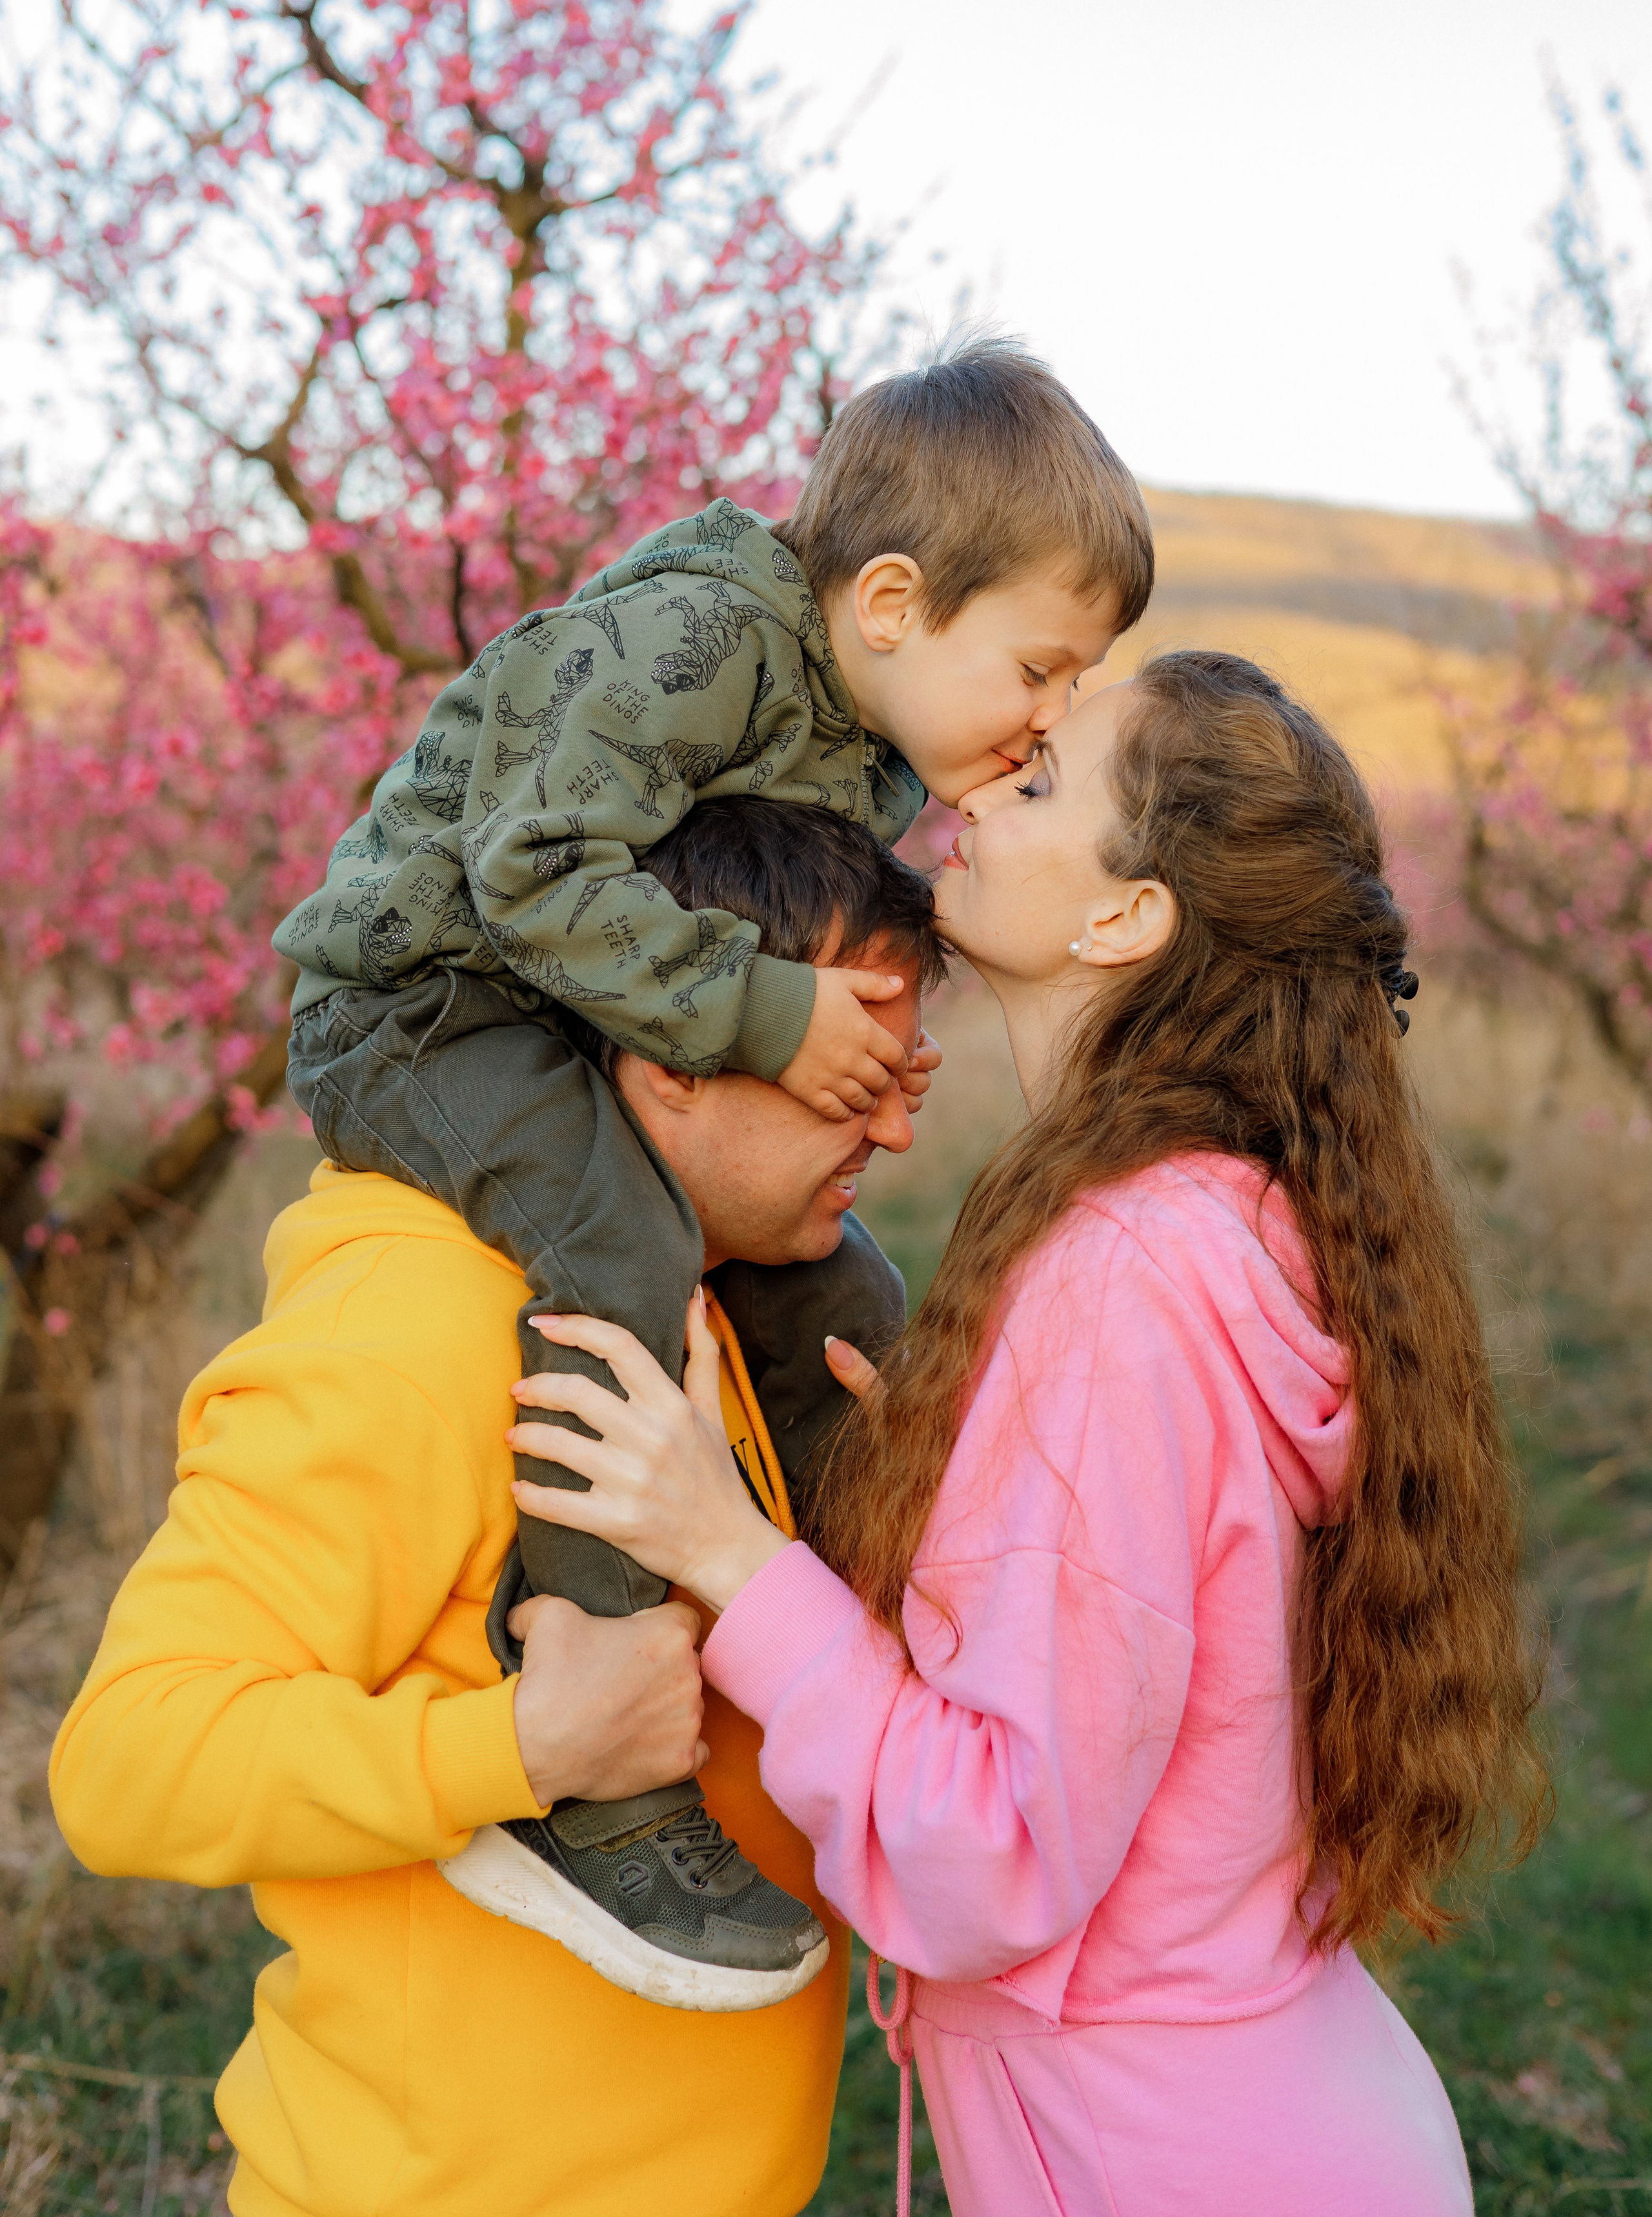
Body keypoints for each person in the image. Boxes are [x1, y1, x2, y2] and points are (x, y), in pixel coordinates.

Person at [505, 654, 1547, 2217]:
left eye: (1044, 781)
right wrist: (946, 1527)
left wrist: (728, 1552)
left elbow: (985, 1859)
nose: (982, 785)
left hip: (1173, 2161)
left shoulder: (1119, 1277)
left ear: (1125, 919)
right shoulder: (1234, 1221)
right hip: (1279, 2108)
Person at [270, 337, 1153, 1999]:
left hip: (576, 1021)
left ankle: (873, 1625)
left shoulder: (864, 729)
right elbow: (526, 867)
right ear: (888, 603)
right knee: (619, 1249)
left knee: (841, 1282)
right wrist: (766, 1014)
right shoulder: (691, 645)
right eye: (1039, 668)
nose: (1054, 717)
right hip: (426, 1005)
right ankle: (594, 1757)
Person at [50, 803, 943, 2217]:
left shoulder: (727, 1303)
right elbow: (127, 1759)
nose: (892, 1129)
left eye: (910, 1079)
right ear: (673, 1058)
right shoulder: (417, 1324)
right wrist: (519, 1747)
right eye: (850, 1086)